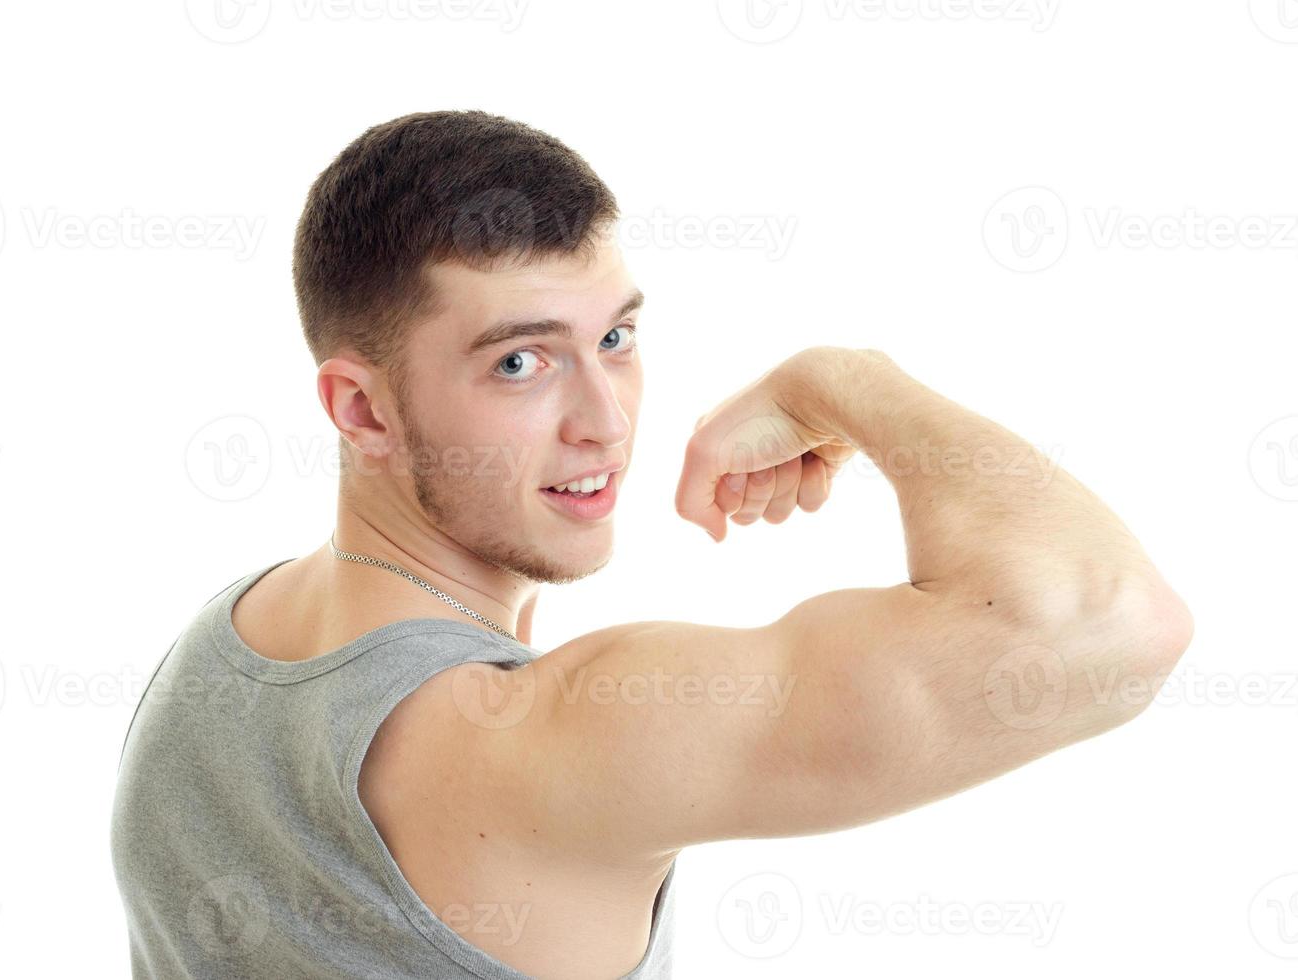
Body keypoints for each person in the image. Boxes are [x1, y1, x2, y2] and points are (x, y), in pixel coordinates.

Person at [111, 110, 1194, 980]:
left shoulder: (219, 646)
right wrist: (848, 380)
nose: (607, 421)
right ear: (362, 410)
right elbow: (1108, 622)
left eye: (616, 339)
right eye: (522, 363)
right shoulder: (532, 739)